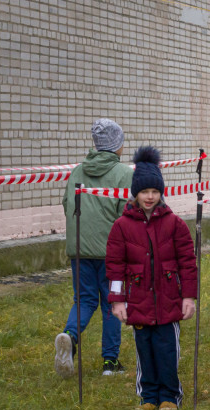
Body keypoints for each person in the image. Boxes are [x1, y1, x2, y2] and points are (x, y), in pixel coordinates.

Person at [105, 146, 198, 410]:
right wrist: (117, 301)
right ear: (136, 192)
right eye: (145, 192)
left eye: (155, 192)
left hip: (169, 302)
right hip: (138, 303)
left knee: (167, 350)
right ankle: (148, 396)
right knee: (144, 351)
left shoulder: (175, 224)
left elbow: (187, 263)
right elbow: (115, 267)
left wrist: (188, 296)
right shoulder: (121, 227)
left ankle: (169, 395)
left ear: (161, 193)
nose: (150, 197)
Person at [54, 118, 134, 378]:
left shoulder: (77, 171)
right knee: (113, 304)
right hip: (112, 254)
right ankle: (110, 363)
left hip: (79, 249)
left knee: (84, 300)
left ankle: (69, 336)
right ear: (117, 145)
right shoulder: (124, 174)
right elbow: (128, 214)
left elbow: (68, 204)